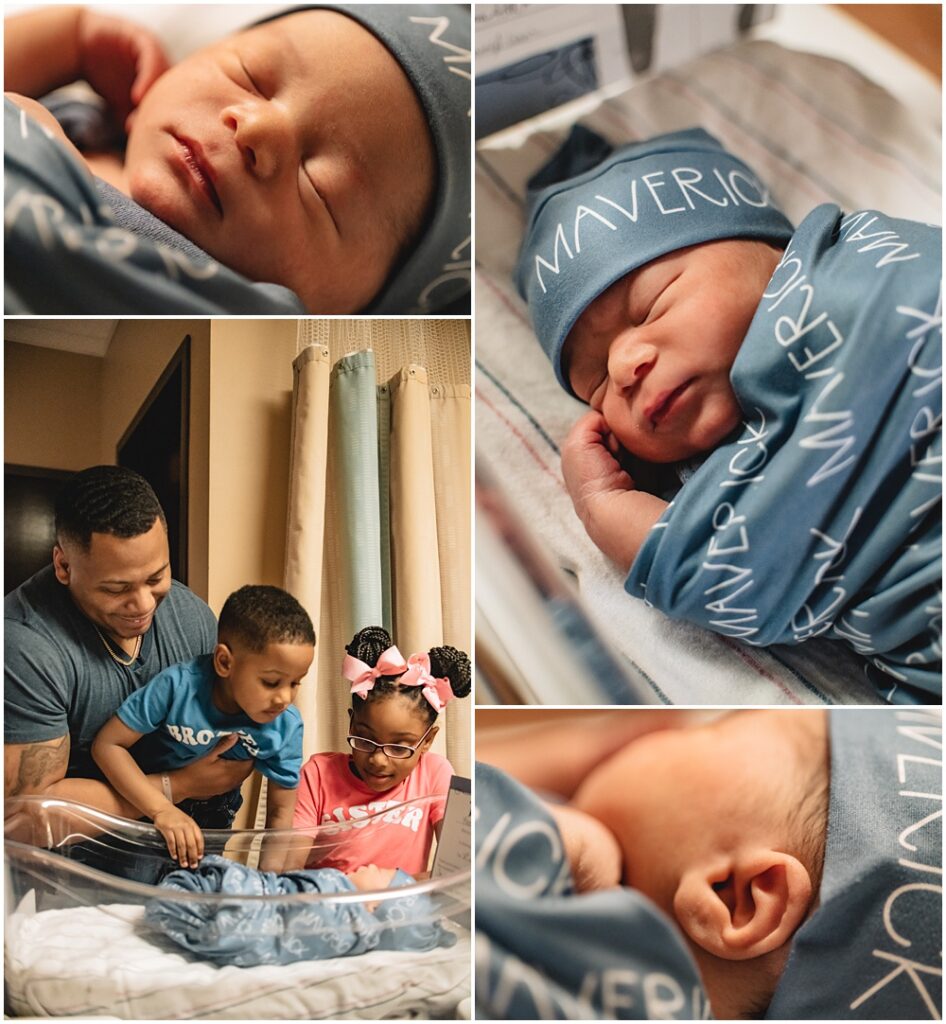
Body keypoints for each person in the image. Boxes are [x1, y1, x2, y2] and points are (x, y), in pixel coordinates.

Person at [516, 125, 941, 702]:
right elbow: (742, 579)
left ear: (772, 252)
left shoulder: (871, 269)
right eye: (593, 388)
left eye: (650, 305)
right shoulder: (723, 483)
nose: (622, 367)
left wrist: (608, 512)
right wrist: (604, 504)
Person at [476, 708, 941, 1020]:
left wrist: (557, 799)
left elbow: (430, 804)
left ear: (737, 898)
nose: (670, 729)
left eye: (711, 731)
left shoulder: (548, 848)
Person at [4, 4, 470, 314]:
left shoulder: (249, 311)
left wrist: (38, 150)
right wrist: (68, 41)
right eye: (250, 76)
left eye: (323, 190)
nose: (257, 130)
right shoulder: (84, 119)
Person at [4, 465, 254, 877]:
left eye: (156, 577)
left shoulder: (191, 617)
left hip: (187, 850)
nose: (142, 604)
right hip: (71, 875)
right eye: (116, 588)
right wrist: (179, 786)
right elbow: (29, 818)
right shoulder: (24, 646)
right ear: (63, 566)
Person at [92, 584, 314, 871]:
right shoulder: (177, 687)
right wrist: (161, 809)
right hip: (145, 803)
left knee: (200, 895)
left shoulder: (285, 726)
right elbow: (107, 746)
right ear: (224, 662)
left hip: (216, 814)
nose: (284, 698)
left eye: (296, 682)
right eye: (271, 682)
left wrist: (267, 884)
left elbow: (281, 813)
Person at [291, 625, 471, 875]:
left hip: (402, 909)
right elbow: (288, 870)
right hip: (329, 907)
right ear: (352, 722)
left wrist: (386, 887)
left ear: (427, 740)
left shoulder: (434, 774)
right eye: (364, 740)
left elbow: (458, 873)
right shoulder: (318, 775)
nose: (378, 760)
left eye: (398, 747)